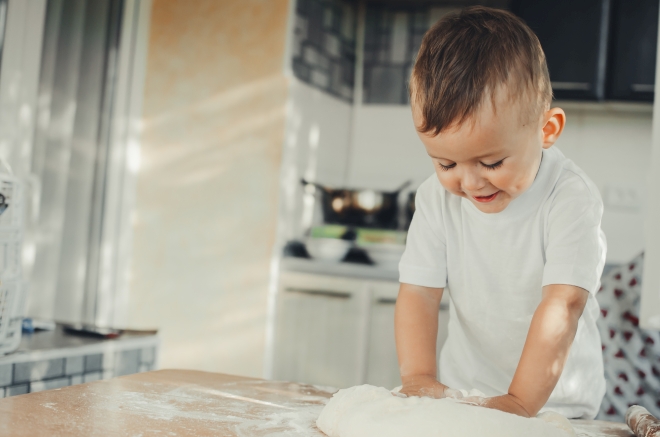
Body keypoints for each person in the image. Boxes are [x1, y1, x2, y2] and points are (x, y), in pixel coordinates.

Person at [396, 6, 606, 419]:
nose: (470, 184)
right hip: (464, 395)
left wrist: (519, 403)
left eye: (491, 163)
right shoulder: (435, 199)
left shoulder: (570, 198)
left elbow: (562, 305)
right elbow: (419, 292)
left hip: (555, 407)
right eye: (446, 164)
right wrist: (419, 378)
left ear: (546, 131)